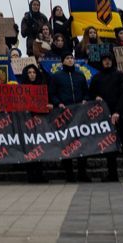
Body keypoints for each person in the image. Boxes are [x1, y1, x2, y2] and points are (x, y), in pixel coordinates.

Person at [89, 52, 123, 182]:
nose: (107, 62)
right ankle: (112, 174)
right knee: (108, 146)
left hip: (120, 115)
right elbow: (91, 92)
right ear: (101, 62)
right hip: (104, 116)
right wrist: (94, 97)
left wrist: (118, 112)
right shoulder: (97, 77)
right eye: (104, 60)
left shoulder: (120, 75)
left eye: (109, 59)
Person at [48, 52, 90, 182]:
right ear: (62, 61)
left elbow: (86, 92)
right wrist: (58, 103)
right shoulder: (56, 77)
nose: (70, 60)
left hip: (79, 113)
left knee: (82, 143)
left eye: (72, 58)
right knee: (66, 144)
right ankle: (69, 174)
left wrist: (85, 99)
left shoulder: (80, 75)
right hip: (64, 114)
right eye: (67, 58)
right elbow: (52, 93)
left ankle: (82, 173)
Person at [20, 63, 52, 183]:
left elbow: (48, 101)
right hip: (26, 123)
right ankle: (31, 175)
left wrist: (49, 105)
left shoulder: (42, 88)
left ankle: (40, 174)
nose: (32, 75)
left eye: (34, 72)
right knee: (29, 148)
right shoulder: (21, 89)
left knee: (39, 147)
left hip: (39, 122)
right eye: (29, 72)